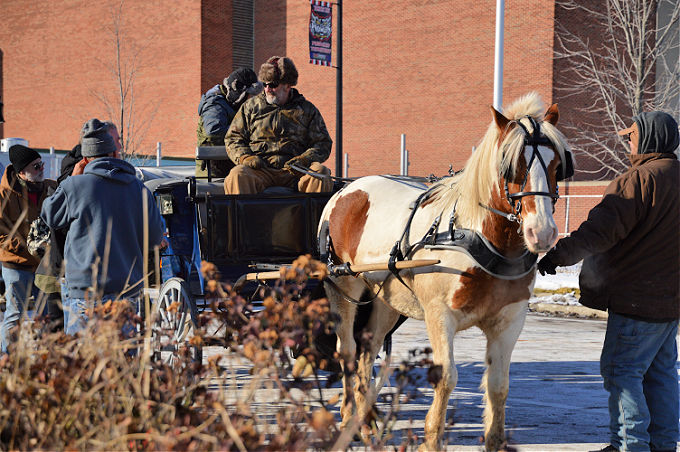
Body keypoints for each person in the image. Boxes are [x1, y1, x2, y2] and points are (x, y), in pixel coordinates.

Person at [537, 111, 680, 452]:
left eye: (632, 136)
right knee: (661, 376)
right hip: (670, 305)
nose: (628, 143)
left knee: (622, 373)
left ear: (648, 139)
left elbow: (599, 233)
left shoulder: (638, 180)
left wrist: (558, 255)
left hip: (635, 303)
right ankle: (663, 444)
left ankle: (628, 445)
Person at [41, 118, 164, 335]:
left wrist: (71, 180)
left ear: (86, 159)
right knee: (122, 362)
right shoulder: (138, 188)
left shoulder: (74, 186)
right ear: (114, 154)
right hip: (126, 289)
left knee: (84, 363)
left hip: (84, 291)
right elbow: (155, 238)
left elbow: (49, 216)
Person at [29, 121, 123, 331]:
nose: (119, 147)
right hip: (59, 272)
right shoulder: (75, 174)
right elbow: (53, 217)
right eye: (116, 140)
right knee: (57, 336)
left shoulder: (116, 178)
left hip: (88, 277)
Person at [224, 56, 334, 195]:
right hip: (260, 170)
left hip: (295, 172)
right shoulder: (250, 107)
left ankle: (313, 217)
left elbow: (322, 143)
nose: (267, 89)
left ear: (288, 85)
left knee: (320, 173)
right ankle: (244, 217)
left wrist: (305, 159)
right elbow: (233, 138)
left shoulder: (307, 110)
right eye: (265, 84)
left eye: (273, 85)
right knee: (237, 175)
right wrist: (245, 157)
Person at [0, 144, 57, 353]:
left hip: (44, 266)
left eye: (41, 163)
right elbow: (1, 236)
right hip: (16, 265)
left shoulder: (52, 188)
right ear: (21, 173)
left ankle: (44, 361)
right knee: (15, 315)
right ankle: (7, 361)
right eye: (36, 166)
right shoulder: (4, 195)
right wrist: (29, 248)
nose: (42, 168)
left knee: (46, 316)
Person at [196, 67, 263, 178]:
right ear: (238, 93)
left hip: (232, 167)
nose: (250, 100)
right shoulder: (215, 105)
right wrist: (245, 131)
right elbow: (213, 130)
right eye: (249, 96)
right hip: (213, 174)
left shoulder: (233, 105)